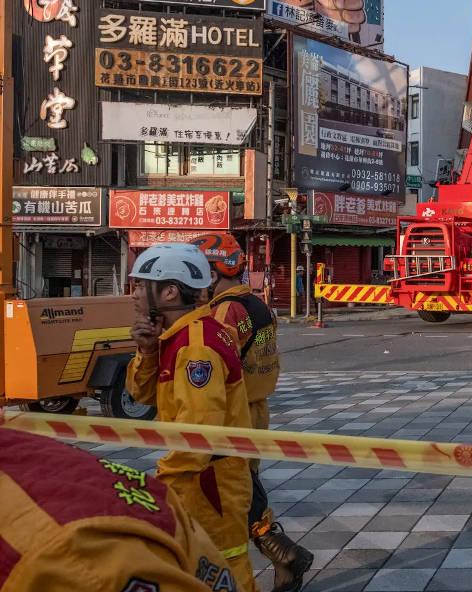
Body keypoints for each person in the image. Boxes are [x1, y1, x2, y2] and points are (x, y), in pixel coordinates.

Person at [126, 243, 259, 592]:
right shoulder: (177, 337)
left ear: (169, 291)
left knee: (224, 565)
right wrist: (147, 352)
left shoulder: (196, 346)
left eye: (141, 285)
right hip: (199, 475)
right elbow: (142, 396)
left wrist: (162, 485)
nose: (134, 295)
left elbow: (198, 433)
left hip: (208, 482)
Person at [190, 233, 313, 592]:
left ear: (213, 275)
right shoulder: (258, 305)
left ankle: (284, 553)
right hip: (256, 410)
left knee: (232, 492)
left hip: (233, 412)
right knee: (242, 487)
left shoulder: (226, 311)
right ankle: (283, 553)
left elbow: (217, 364)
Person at [0, 427, 244, 591]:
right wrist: (148, 357)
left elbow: (197, 425)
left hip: (204, 471)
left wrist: (169, 477)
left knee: (233, 547)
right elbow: (145, 394)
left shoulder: (64, 551)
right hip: (198, 470)